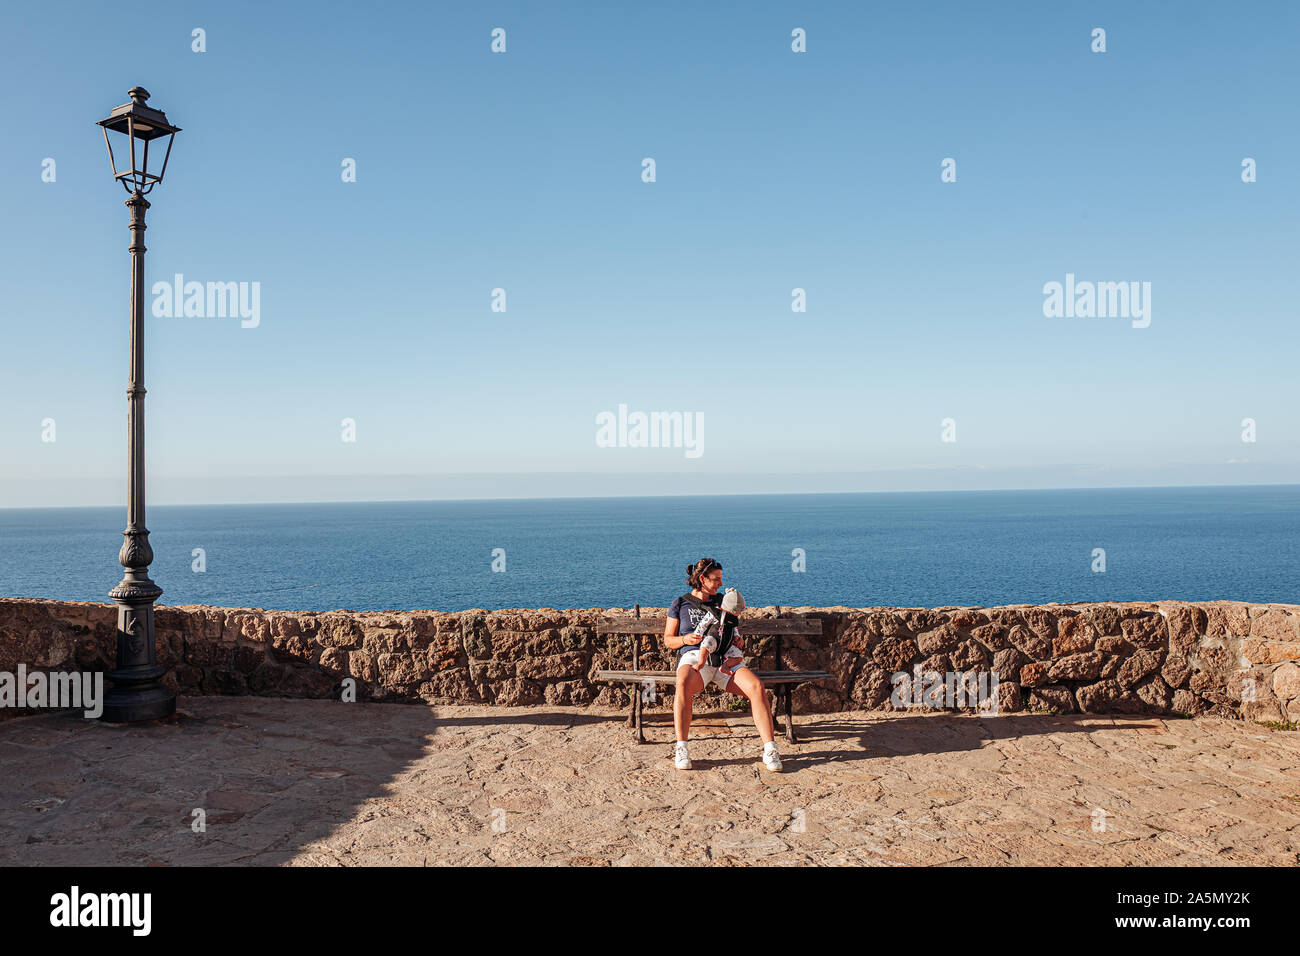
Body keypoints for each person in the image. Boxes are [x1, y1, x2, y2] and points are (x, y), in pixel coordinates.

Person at [664, 558, 781, 772]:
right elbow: (668, 640)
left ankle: (770, 749)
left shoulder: (724, 601)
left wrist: (739, 640)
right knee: (682, 683)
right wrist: (684, 640)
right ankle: (681, 748)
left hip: (726, 658)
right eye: (716, 579)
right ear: (702, 579)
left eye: (720, 579)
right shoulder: (680, 603)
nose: (720, 583)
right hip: (695, 657)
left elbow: (732, 628)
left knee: (756, 687)